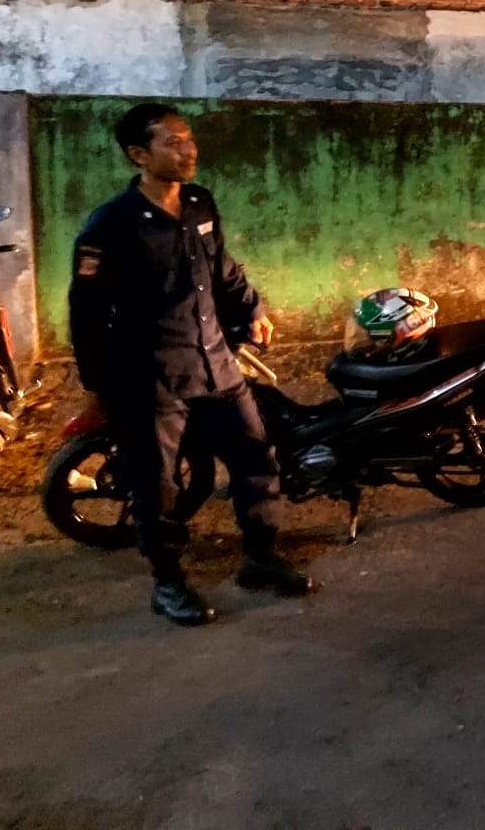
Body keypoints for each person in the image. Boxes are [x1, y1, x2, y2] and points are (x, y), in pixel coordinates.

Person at [69, 103, 313, 627]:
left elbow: (221, 267)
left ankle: (260, 558)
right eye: (173, 142)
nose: (188, 150)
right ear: (139, 155)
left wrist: (252, 309)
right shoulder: (110, 225)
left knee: (256, 459)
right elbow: (86, 313)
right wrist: (97, 386)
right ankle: (168, 583)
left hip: (217, 363)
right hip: (152, 378)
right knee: (157, 486)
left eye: (189, 139)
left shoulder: (200, 202)